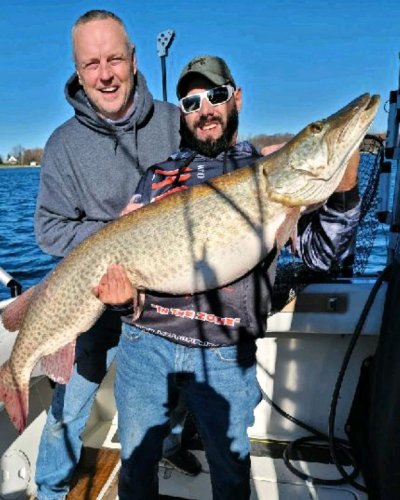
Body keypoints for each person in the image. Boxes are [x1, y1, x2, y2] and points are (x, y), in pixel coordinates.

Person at [94, 55, 362, 499]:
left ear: (236, 98)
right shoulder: (155, 178)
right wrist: (122, 300)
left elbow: (323, 255)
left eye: (216, 96)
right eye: (191, 101)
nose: (205, 109)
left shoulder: (266, 170)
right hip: (145, 346)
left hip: (225, 355)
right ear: (183, 113)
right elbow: (128, 279)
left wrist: (345, 186)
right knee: (136, 468)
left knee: (231, 478)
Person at [33, 10, 200, 500]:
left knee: (170, 386)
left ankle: (166, 443)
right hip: (92, 296)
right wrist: (118, 237)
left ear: (132, 58)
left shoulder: (175, 123)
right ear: (78, 72)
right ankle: (49, 488)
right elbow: (47, 229)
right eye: (91, 64)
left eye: (113, 59)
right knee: (71, 401)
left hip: (163, 291)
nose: (104, 74)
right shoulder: (62, 146)